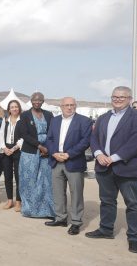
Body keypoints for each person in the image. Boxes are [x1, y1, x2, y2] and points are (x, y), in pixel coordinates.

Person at [86, 86, 137, 254]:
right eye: (115, 96)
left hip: (128, 167)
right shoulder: (103, 117)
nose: (117, 99)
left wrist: (114, 157)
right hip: (104, 166)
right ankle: (106, 229)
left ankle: (135, 236)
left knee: (133, 203)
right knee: (107, 201)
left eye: (122, 97)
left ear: (129, 98)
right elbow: (94, 138)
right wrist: (99, 153)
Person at [44, 97, 92, 236]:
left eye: (72, 105)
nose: (69, 107)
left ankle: (76, 222)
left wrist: (69, 154)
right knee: (58, 192)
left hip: (74, 162)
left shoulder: (84, 121)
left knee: (76, 193)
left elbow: (85, 141)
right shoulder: (55, 120)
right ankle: (61, 218)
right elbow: (49, 139)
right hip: (56, 161)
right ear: (61, 106)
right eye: (66, 105)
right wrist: (54, 153)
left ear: (75, 106)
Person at [15, 92, 54, 218]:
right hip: (30, 151)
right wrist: (39, 146)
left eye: (40, 100)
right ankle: (29, 209)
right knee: (29, 181)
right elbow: (24, 134)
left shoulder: (49, 114)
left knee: (45, 181)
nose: (37, 102)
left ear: (43, 101)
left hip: (46, 152)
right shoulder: (25, 115)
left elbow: (53, 132)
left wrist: (47, 147)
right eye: (35, 100)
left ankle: (46, 210)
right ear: (31, 101)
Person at [0, 100, 23, 211]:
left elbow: (24, 137)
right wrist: (4, 147)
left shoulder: (22, 120)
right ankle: (9, 200)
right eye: (12, 107)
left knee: (18, 177)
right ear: (9, 109)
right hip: (6, 149)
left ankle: (18, 201)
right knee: (7, 176)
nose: (14, 109)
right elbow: (0, 134)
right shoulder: (5, 120)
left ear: (19, 108)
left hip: (18, 150)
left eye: (16, 107)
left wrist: (13, 148)